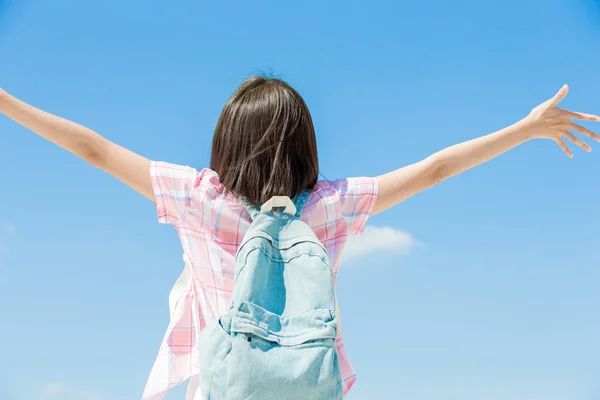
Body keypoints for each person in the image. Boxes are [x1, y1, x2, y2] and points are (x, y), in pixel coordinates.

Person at [1, 76, 598, 399]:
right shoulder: (331, 206)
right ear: (306, 143)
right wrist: (524, 130)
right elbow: (436, 168)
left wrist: (5, 101)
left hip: (223, 387)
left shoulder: (198, 198)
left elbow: (94, 149)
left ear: (226, 142)